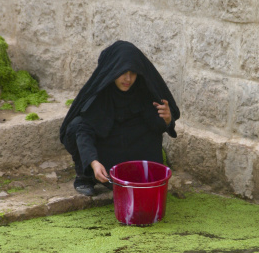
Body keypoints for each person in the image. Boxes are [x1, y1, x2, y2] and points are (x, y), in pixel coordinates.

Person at [60, 41, 180, 196]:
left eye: (133, 73)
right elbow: (85, 130)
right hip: (107, 143)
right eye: (123, 72)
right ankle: (85, 176)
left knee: (149, 134)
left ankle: (137, 178)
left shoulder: (143, 89)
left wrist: (167, 120)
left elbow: (156, 128)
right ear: (113, 70)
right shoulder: (102, 92)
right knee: (75, 127)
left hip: (133, 145)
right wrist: (94, 163)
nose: (128, 79)